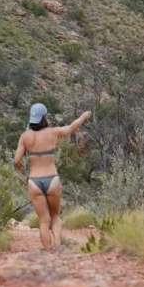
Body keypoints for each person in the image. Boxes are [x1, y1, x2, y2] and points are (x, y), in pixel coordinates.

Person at [14, 103, 92, 251]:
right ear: (44, 117)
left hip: (34, 181)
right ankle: (57, 246)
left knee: (43, 220)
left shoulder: (25, 137)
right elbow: (71, 127)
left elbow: (16, 160)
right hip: (52, 178)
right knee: (55, 215)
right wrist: (83, 116)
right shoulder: (53, 132)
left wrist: (20, 168)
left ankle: (48, 251)